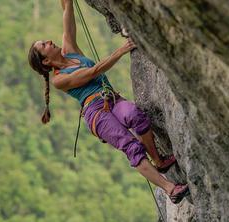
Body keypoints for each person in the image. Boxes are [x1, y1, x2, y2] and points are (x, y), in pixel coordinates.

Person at [27, 0, 189, 204]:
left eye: (46, 40)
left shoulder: (69, 47)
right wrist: (120, 51)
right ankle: (170, 189)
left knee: (136, 116)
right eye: (44, 45)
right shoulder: (59, 80)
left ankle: (159, 161)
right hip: (96, 113)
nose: (49, 41)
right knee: (131, 146)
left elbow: (67, 8)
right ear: (46, 61)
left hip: (110, 98)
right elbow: (93, 71)